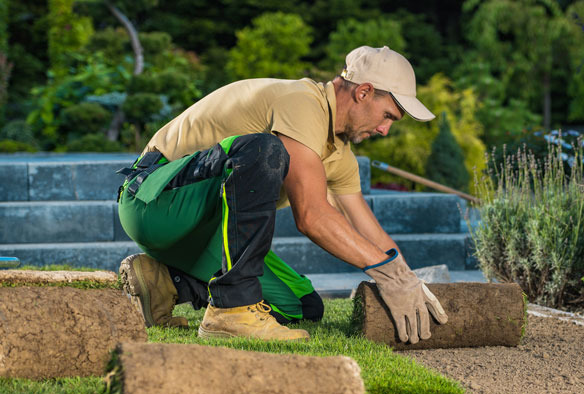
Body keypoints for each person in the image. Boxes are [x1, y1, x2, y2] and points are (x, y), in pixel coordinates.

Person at [116, 45, 447, 344]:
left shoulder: (339, 155)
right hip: (153, 201)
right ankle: (232, 310)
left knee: (303, 306)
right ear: (364, 92)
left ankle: (167, 281)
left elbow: (365, 226)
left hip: (204, 231)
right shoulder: (302, 103)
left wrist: (406, 279)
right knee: (263, 149)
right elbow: (312, 216)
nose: (385, 129)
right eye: (388, 115)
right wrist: (386, 274)